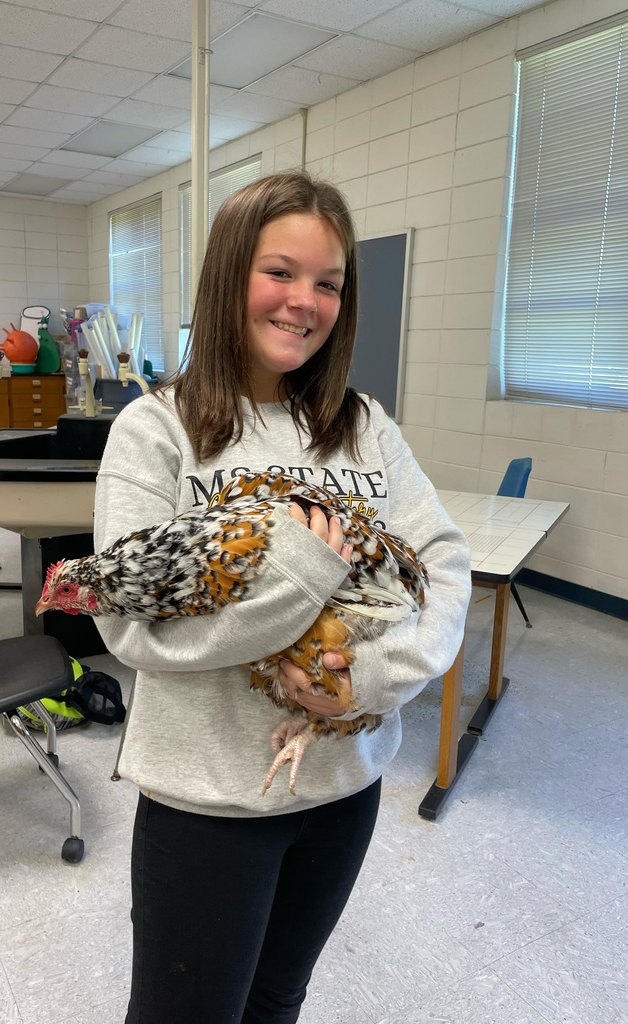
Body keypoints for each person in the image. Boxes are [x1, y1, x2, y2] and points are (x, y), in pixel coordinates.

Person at [94, 170, 472, 1023]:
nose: (304, 301)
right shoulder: (156, 429)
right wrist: (301, 579)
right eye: (280, 272)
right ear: (230, 273)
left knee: (276, 1001)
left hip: (344, 787)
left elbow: (446, 557)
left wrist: (370, 683)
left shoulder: (364, 425)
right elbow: (129, 625)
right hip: (209, 799)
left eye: (328, 283)